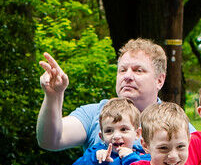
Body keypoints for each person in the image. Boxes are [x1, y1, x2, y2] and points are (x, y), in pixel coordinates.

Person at [37, 38, 191, 151]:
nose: (127, 76)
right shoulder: (95, 113)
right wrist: (53, 97)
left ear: (159, 80)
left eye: (138, 70)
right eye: (123, 70)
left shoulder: (175, 121)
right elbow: (51, 141)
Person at [76, 103, 201, 165]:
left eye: (180, 146)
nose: (173, 156)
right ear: (145, 146)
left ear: (189, 142)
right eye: (163, 148)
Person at [71, 97, 148, 165]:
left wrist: (130, 157)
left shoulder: (143, 155)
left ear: (137, 133)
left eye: (123, 129)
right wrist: (95, 159)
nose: (116, 136)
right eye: (109, 131)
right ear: (102, 136)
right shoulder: (97, 152)